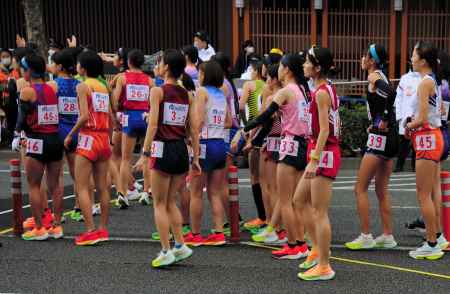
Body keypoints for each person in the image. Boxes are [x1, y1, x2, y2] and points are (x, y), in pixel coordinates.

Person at [244, 53, 310, 259]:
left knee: (285, 200)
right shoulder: (304, 91)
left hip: (290, 144)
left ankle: (293, 244)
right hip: (304, 144)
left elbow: (265, 117)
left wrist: (246, 127)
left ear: (287, 69)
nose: (278, 70)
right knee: (298, 201)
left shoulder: (286, 91)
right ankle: (301, 243)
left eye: (281, 66)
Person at [142, 49, 195, 267]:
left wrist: (145, 152)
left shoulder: (158, 91)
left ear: (166, 67)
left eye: (160, 62)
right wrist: (196, 156)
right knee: (170, 200)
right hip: (181, 149)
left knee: (159, 203)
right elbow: (191, 128)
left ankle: (165, 250)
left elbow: (153, 124)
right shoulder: (187, 94)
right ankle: (180, 245)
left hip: (162, 147)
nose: (158, 64)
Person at [345, 44, 398, 250]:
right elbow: (384, 102)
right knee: (381, 189)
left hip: (380, 136)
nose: (362, 58)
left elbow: (391, 94)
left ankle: (366, 235)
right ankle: (387, 234)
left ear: (372, 60)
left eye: (365, 55)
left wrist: (382, 119)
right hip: (391, 135)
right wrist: (378, 120)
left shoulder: (374, 77)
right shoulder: (381, 75)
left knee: (359, 188)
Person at [295, 46, 341, 281]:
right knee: (298, 200)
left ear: (317, 67)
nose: (303, 65)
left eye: (307, 61)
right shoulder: (325, 88)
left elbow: (324, 130)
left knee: (319, 211)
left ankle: (324, 264)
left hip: (323, 153)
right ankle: (317, 250)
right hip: (321, 151)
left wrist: (314, 160)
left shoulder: (322, 92)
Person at [13, 53, 64, 241]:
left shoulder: (27, 91)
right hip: (55, 139)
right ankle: (57, 226)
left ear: (29, 71)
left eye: (23, 69)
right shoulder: (53, 87)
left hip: (36, 139)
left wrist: (17, 135)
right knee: (56, 185)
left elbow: (22, 117)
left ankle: (40, 228)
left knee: (34, 184)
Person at [406, 42, 448, 259]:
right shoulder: (434, 81)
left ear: (423, 60)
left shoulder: (424, 83)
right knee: (432, 193)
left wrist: (407, 125)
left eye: (413, 54)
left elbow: (422, 118)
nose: (410, 57)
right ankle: (437, 236)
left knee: (424, 195)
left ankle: (431, 243)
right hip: (434, 137)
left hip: (426, 139)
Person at [65, 50, 111, 245]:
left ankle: (90, 229)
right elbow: (109, 114)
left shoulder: (83, 86)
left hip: (88, 137)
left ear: (82, 68)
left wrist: (70, 134)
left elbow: (84, 116)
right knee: (103, 187)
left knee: (82, 186)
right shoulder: (102, 86)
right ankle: (102, 229)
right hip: (103, 137)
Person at [184, 61, 232, 246]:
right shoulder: (221, 93)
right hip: (220, 143)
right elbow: (229, 122)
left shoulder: (201, 92)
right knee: (215, 192)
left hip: (204, 144)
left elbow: (196, 125)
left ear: (204, 75)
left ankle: (195, 234)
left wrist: (194, 152)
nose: (199, 75)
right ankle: (219, 232)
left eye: (200, 72)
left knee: (195, 192)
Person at [249, 63, 285, 245]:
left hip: (273, 141)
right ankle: (276, 226)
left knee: (270, 187)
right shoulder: (288, 94)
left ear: (274, 79)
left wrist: (250, 138)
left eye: (268, 78)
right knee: (276, 188)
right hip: (280, 141)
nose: (266, 81)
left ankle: (274, 226)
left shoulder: (274, 96)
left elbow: (262, 120)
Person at [112, 49, 153, 208]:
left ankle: (122, 194)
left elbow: (115, 102)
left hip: (129, 118)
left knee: (125, 158)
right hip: (145, 118)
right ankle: (146, 191)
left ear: (129, 62)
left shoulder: (122, 78)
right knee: (147, 156)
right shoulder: (149, 80)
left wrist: (116, 118)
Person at [239, 60, 266, 231]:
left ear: (255, 70)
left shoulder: (249, 84)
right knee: (268, 180)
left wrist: (246, 126)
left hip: (253, 130)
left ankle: (262, 217)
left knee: (255, 177)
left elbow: (241, 106)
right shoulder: (269, 85)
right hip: (267, 130)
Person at [394, 69, 420, 172]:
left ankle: (415, 166)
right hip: (405, 115)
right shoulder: (404, 78)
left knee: (416, 143)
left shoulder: (424, 78)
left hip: (417, 115)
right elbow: (398, 98)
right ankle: (399, 166)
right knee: (403, 142)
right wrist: (399, 115)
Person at [0, 48, 20, 142]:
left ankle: (13, 138)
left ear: (11, 57)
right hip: (3, 100)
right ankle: (6, 138)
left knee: (14, 119)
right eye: (3, 57)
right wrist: (4, 87)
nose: (5, 58)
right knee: (5, 121)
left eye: (7, 56)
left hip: (15, 100)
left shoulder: (16, 70)